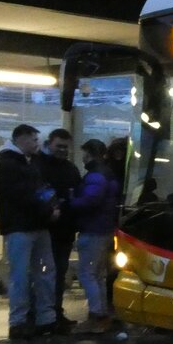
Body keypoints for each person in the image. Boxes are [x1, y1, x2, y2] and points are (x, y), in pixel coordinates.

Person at [0, 124, 62, 339]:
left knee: (25, 274)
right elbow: (26, 195)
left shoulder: (17, 163)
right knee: (35, 273)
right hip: (25, 226)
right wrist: (51, 208)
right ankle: (32, 319)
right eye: (33, 140)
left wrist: (50, 206)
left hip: (25, 226)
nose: (37, 144)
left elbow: (34, 191)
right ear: (20, 139)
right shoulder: (10, 165)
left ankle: (30, 319)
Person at [69, 139, 119, 333]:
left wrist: (71, 201)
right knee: (98, 274)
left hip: (93, 229)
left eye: (84, 154)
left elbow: (91, 199)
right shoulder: (108, 173)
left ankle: (96, 316)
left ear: (89, 153)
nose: (82, 158)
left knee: (87, 274)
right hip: (105, 229)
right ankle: (103, 314)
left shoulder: (96, 174)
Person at [38, 128, 82, 327]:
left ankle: (53, 313)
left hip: (62, 230)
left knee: (56, 274)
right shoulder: (43, 167)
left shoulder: (68, 169)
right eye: (59, 146)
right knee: (47, 275)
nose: (63, 150)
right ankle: (47, 314)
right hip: (48, 229)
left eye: (65, 147)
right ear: (50, 144)